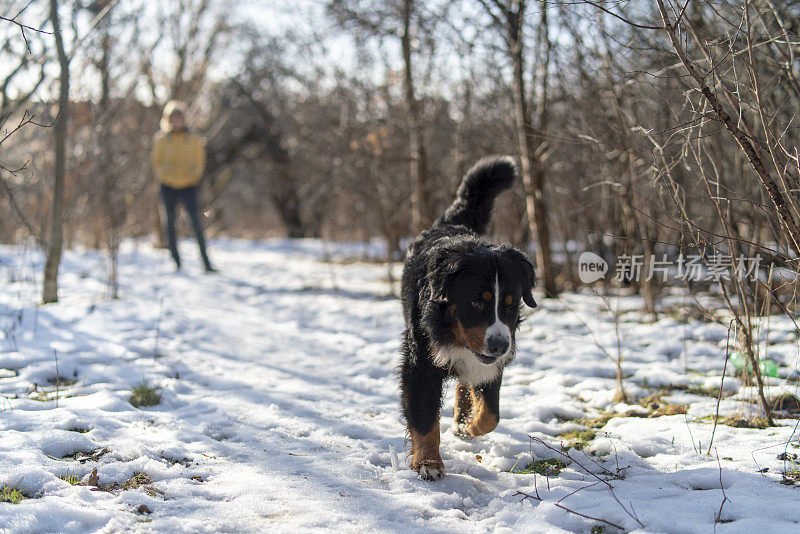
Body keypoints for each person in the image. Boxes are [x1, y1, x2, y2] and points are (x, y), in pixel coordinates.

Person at [151, 100, 215, 272]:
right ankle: (176, 262)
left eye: (179, 117)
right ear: (168, 120)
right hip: (168, 185)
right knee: (169, 224)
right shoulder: (161, 139)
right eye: (173, 118)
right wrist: (164, 176)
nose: (176, 121)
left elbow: (200, 160)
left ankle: (206, 262)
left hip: (189, 185)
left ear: (184, 119)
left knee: (196, 223)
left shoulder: (194, 139)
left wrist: (194, 177)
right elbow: (156, 162)